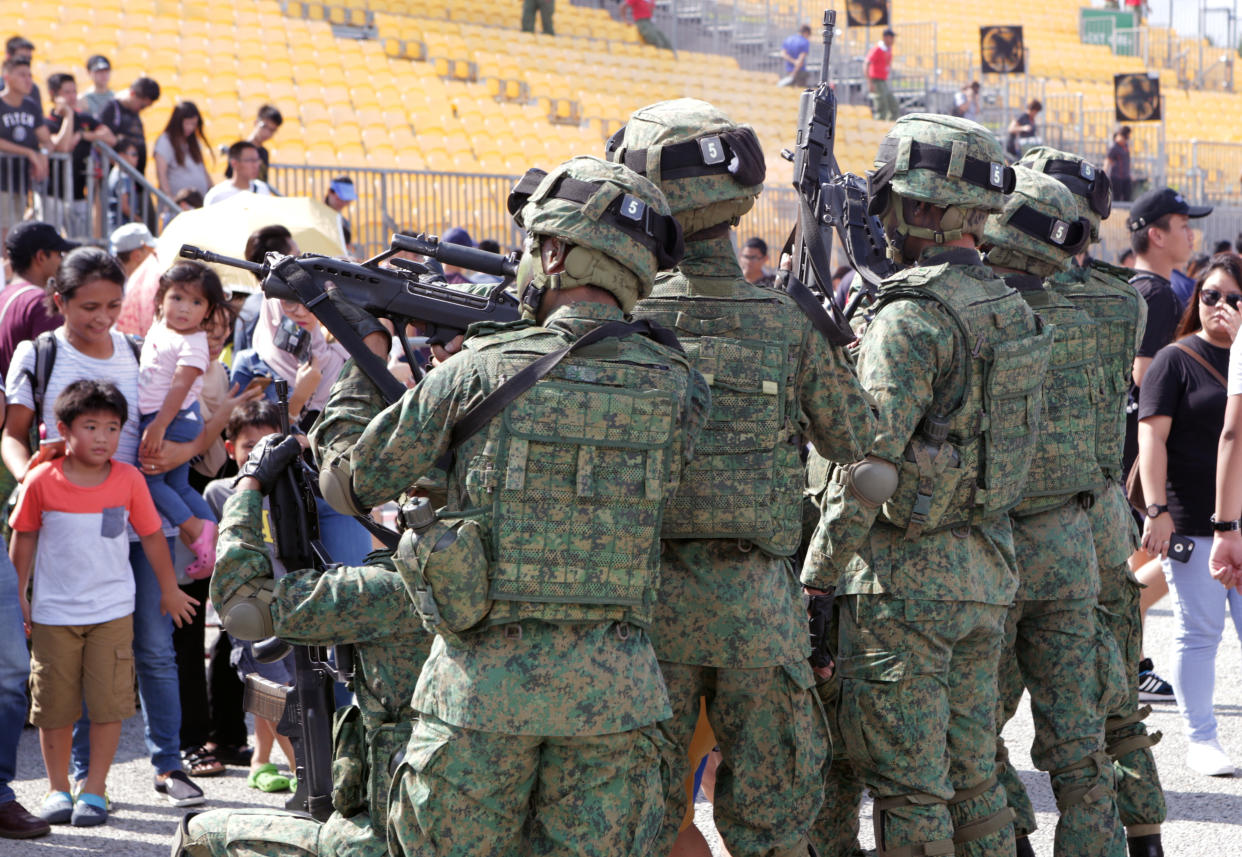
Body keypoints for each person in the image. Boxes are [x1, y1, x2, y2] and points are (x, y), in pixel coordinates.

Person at [309, 154, 706, 857]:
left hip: (482, 692)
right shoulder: (679, 383)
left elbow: (349, 484)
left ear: (553, 251)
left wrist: (361, 366)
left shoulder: (478, 370)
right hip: (618, 696)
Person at [609, 98, 876, 857]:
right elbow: (863, 452)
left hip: (646, 602)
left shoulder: (624, 319)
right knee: (773, 821)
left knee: (648, 812)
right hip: (759, 604)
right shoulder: (785, 322)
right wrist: (821, 570)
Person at [803, 113, 1050, 857]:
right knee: (972, 778)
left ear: (922, 209)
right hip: (984, 573)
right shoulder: (1016, 308)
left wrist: (816, 579)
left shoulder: (912, 315)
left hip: (905, 586)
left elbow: (868, 464)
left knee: (911, 787)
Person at [2, 247, 209, 809]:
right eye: (89, 306)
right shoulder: (39, 352)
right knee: (76, 645)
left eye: (114, 305)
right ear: (59, 301)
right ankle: (72, 781)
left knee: (151, 645)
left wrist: (174, 455)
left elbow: (168, 431)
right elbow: (13, 434)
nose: (102, 317)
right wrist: (31, 480)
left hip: (134, 509)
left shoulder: (139, 348)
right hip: (64, 517)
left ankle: (168, 765)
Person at [171, 416, 433, 857]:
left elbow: (241, 605)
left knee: (200, 832)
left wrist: (250, 483)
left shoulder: (391, 589)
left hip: (402, 824)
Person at [1019, 144, 1168, 857]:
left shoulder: (1019, 298)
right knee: (1115, 692)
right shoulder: (1119, 300)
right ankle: (1141, 828)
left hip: (1024, 519)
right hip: (1104, 514)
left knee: (983, 707)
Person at [980, 165, 1126, 856]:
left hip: (997, 549)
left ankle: (1010, 838)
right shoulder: (1089, 316)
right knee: (1081, 743)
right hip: (1069, 543)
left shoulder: (981, 315)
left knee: (974, 730)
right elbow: (1104, 451)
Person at [10, 379, 197, 828]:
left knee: (109, 705)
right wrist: (18, 598)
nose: (102, 437)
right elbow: (24, 538)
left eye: (112, 428)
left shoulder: (129, 478)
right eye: (90, 426)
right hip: (55, 615)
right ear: (63, 429)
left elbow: (152, 537)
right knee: (53, 707)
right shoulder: (40, 480)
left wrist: (169, 589)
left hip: (114, 612)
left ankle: (94, 791)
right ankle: (57, 790)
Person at [1137, 253, 1242, 778]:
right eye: (1209, 295)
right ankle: (1201, 736)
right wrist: (1156, 510)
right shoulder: (1175, 359)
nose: (1219, 307)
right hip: (1192, 519)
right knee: (1199, 631)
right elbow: (1151, 437)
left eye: (1232, 299)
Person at [202, 401, 297, 793]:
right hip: (249, 611)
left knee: (276, 685)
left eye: (268, 443)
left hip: (295, 603)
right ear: (230, 449)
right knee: (272, 688)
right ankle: (307, 772)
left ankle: (261, 760)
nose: (258, 453)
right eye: (248, 445)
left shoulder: (294, 487)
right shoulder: (218, 492)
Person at [137, 261, 230, 577]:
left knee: (150, 481)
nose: (184, 308)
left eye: (196, 302)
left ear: (207, 311)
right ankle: (211, 534)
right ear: (162, 297)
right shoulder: (162, 328)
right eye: (177, 297)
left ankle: (195, 530)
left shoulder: (193, 342)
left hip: (172, 418)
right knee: (177, 483)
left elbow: (180, 385)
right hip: (172, 417)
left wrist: (159, 424)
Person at [44, 72, 115, 238]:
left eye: (74, 92)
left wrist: (84, 135)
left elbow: (109, 137)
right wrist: (68, 116)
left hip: (78, 193)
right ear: (54, 95)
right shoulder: (47, 121)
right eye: (67, 92)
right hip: (52, 193)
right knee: (50, 241)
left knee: (80, 241)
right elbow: (63, 146)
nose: (72, 96)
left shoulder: (84, 118)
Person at [0, 220, 74, 377]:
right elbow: (55, 371)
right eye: (59, 254)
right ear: (41, 257)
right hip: (28, 400)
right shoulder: (40, 302)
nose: (62, 260)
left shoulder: (4, 295)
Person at [0, 57, 52, 234]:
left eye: (30, 75)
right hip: (2, 179)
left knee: (16, 228)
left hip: (21, 180)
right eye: (22, 75)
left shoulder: (31, 106)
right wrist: (29, 153)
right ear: (6, 76)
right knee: (5, 229)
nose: (28, 79)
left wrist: (42, 155)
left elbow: (46, 139)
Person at [98, 76, 160, 177]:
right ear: (132, 94)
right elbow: (100, 142)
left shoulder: (134, 113)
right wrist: (119, 163)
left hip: (136, 180)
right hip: (117, 179)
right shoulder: (112, 109)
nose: (142, 109)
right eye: (142, 106)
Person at [153, 101, 212, 207]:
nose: (190, 128)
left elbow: (202, 169)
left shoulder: (194, 142)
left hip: (198, 203)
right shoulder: (165, 141)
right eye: (187, 123)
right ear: (177, 122)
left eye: (193, 124)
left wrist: (212, 188)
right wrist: (169, 199)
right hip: (178, 205)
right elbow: (161, 174)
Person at [223, 104, 281, 184]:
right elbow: (230, 177)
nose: (267, 132)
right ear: (256, 122)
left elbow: (263, 180)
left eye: (272, 130)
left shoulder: (264, 152)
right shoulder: (239, 149)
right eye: (264, 126)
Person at [204, 141, 274, 205]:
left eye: (257, 160)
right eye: (251, 160)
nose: (256, 165)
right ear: (234, 163)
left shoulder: (262, 188)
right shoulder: (218, 195)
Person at [105, 139, 140, 234]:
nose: (137, 158)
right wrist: (140, 221)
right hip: (121, 229)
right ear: (121, 155)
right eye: (133, 154)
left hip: (117, 229)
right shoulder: (121, 176)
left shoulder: (118, 174)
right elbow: (124, 206)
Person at [865, 28, 899, 121]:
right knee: (882, 107)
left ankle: (889, 128)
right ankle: (879, 129)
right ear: (885, 38)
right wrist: (870, 83)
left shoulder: (888, 49)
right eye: (890, 38)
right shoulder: (877, 49)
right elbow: (866, 64)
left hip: (883, 81)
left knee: (894, 107)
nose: (892, 40)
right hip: (876, 81)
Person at [4, 36, 40, 117]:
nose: (26, 62)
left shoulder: (33, 89)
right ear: (8, 57)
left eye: (29, 59)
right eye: (22, 57)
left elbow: (38, 123)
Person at [324, 176, 354, 248]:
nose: (343, 202)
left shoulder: (345, 222)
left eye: (347, 199)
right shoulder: (318, 218)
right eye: (340, 197)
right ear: (330, 192)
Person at [1105, 126, 1133, 203]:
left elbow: (1127, 161)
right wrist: (1104, 173)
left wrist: (1130, 173)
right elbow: (1108, 160)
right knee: (1117, 198)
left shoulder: (1125, 146)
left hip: (1126, 176)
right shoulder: (1114, 147)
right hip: (1117, 177)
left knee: (1127, 197)